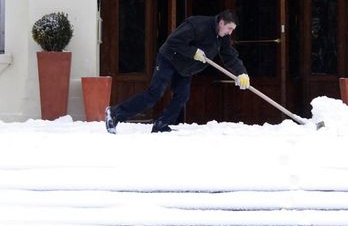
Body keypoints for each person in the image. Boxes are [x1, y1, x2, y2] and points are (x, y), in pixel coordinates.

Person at [105, 9, 250, 133]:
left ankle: (161, 124)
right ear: (221, 22)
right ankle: (115, 113)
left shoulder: (222, 38)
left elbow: (229, 55)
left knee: (182, 96)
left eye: (232, 30)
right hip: (168, 59)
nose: (230, 33)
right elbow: (173, 41)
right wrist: (193, 52)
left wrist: (241, 72)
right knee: (155, 94)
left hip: (185, 68)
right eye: (229, 28)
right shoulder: (197, 25)